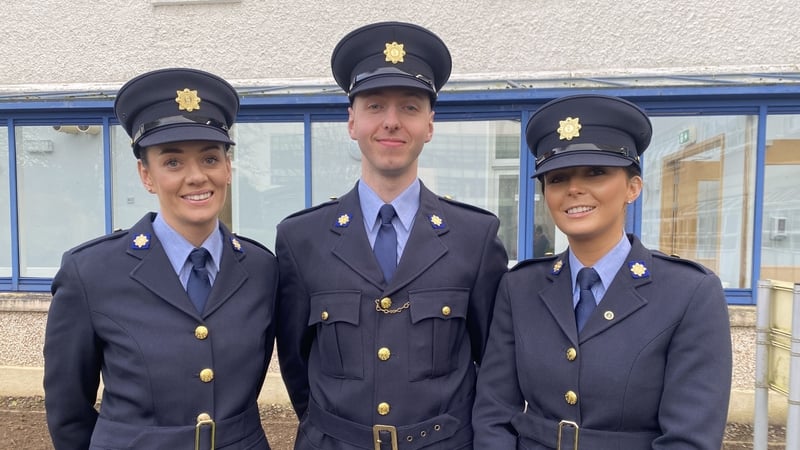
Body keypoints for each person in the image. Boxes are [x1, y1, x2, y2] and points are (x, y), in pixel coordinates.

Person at [275, 21, 508, 450]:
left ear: (430, 124)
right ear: (351, 121)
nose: (392, 122)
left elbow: (493, 365)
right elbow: (296, 361)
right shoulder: (300, 238)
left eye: (410, 107)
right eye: (375, 105)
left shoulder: (475, 236)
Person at [472, 94, 732, 449]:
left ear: (632, 187)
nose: (574, 189)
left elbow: (689, 439)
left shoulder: (689, 293)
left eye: (596, 172)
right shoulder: (519, 288)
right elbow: (494, 412)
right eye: (558, 178)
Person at [43, 68, 279, 450]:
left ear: (228, 168)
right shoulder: (90, 273)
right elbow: (68, 411)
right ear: (146, 175)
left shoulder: (261, 268)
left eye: (209, 159)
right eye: (172, 162)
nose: (197, 177)